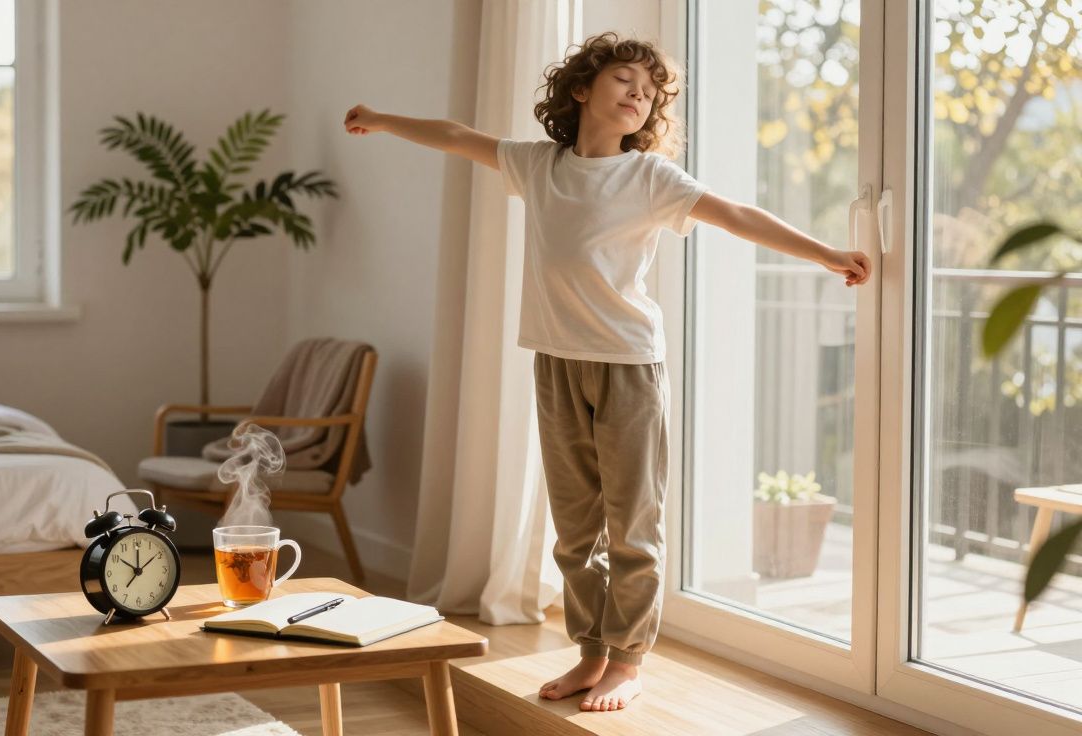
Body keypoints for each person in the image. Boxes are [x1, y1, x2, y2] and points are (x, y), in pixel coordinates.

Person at [343, 31, 871, 713]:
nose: (638, 96)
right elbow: (456, 136)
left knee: (633, 526)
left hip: (629, 368)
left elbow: (736, 215)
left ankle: (627, 661)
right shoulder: (538, 165)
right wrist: (381, 119)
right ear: (581, 89)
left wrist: (825, 253)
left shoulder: (650, 178)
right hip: (557, 363)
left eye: (649, 94)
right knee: (575, 532)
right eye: (625, 81)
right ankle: (591, 651)